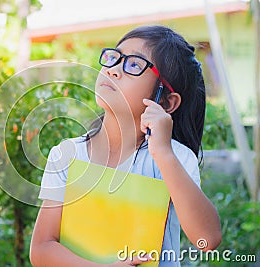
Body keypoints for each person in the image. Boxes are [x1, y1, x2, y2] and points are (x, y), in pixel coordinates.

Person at [29, 25, 221, 267]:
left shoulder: (173, 158)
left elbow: (207, 239)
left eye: (133, 65)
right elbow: (42, 249)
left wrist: (163, 152)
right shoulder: (67, 154)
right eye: (113, 57)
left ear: (166, 101)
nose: (114, 70)